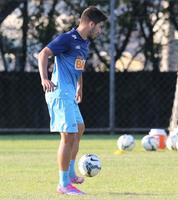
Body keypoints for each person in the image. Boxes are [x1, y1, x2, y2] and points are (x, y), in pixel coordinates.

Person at [38, 6, 107, 195]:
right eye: (100, 27)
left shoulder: (84, 44)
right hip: (59, 93)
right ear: (91, 24)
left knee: (79, 128)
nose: (100, 31)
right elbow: (43, 54)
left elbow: (78, 67)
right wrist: (44, 78)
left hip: (70, 93)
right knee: (67, 136)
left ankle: (69, 174)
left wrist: (80, 86)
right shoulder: (68, 39)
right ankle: (63, 184)